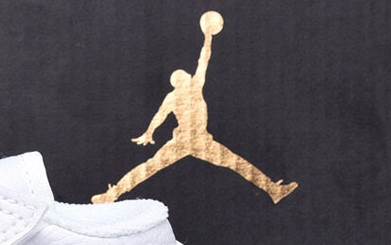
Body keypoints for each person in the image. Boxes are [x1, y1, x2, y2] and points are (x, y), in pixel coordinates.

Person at [92, 11, 297, 204]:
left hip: (197, 141)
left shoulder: (181, 92)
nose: (190, 75)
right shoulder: (188, 89)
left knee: (151, 167)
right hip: (189, 141)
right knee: (234, 163)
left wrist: (149, 132)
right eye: (185, 75)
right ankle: (110, 195)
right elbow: (201, 62)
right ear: (181, 81)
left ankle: (274, 190)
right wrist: (207, 37)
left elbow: (201, 62)